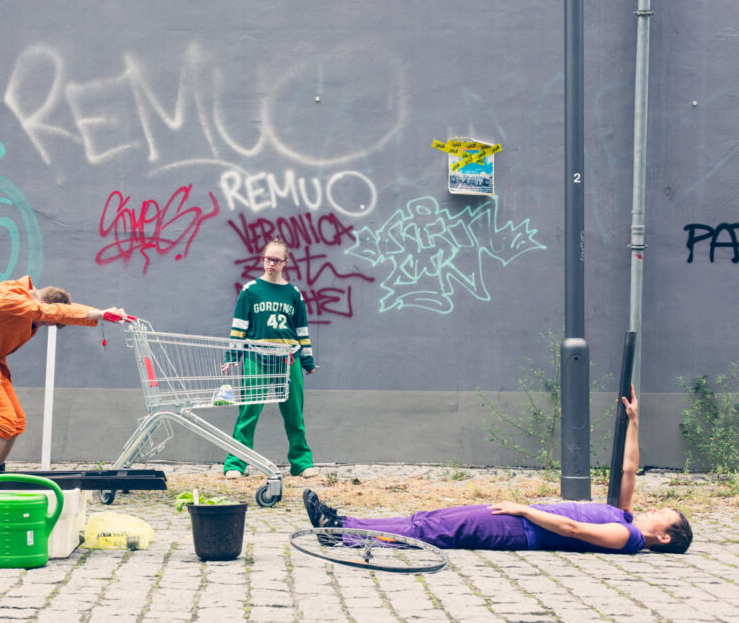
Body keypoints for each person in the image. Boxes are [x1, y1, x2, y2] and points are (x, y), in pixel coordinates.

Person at [303, 386, 692, 554]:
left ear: (662, 538)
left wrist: (524, 510)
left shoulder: (627, 536)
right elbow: (628, 471)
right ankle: (341, 523)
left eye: (663, 516)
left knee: (433, 531)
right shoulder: (625, 516)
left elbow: (573, 529)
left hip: (519, 528)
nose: (655, 509)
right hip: (519, 520)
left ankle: (342, 536)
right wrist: (634, 422)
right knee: (426, 519)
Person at [0, 276, 125, 473]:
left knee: (16, 422)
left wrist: (105, 313)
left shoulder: (31, 301)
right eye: (43, 323)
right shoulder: (8, 297)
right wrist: (99, 314)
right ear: (41, 303)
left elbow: (58, 309)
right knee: (3, 422)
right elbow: (44, 311)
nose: (40, 326)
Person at [222, 237, 320, 480]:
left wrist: (307, 361)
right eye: (268, 259)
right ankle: (236, 464)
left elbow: (302, 330)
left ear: (285, 262)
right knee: (248, 413)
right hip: (257, 358)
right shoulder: (250, 290)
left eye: (276, 260)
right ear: (262, 259)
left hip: (289, 360)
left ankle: (301, 463)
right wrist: (233, 355)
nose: (271, 264)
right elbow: (239, 326)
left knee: (294, 414)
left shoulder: (294, 294)